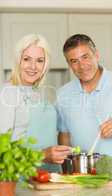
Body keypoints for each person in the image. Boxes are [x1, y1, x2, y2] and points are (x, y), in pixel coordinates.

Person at [56, 34, 112, 173]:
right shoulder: (63, 94)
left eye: (85, 57)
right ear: (69, 64)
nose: (82, 66)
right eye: (74, 61)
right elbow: (64, 135)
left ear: (96, 55)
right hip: (82, 172)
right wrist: (67, 170)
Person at [0, 34, 71, 171]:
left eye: (39, 60)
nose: (33, 66)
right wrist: (43, 155)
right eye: (27, 59)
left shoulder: (40, 92)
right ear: (18, 60)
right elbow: (3, 152)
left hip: (49, 177)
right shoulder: (7, 92)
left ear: (45, 64)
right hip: (22, 181)